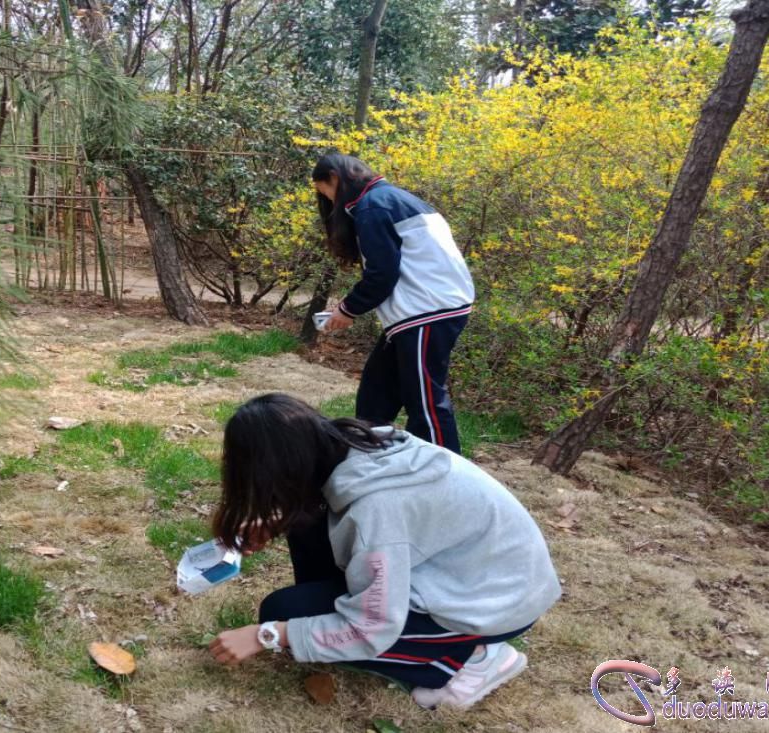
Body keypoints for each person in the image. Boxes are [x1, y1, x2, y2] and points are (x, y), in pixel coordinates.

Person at [206, 394, 561, 710]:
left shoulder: (376, 512)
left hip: (492, 603)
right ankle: (340, 613)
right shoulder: (357, 442)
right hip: (481, 570)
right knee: (303, 546)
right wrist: (278, 521)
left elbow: (372, 629)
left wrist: (266, 635)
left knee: (282, 614)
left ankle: (475, 659)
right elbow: (323, 506)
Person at [312, 153, 475, 454]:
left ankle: (442, 471)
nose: (330, 203)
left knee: (425, 401)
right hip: (419, 311)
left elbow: (382, 273)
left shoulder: (373, 206)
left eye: (326, 193)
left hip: (427, 310)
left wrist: (347, 310)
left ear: (335, 178)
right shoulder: (391, 199)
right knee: (376, 395)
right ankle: (369, 457)